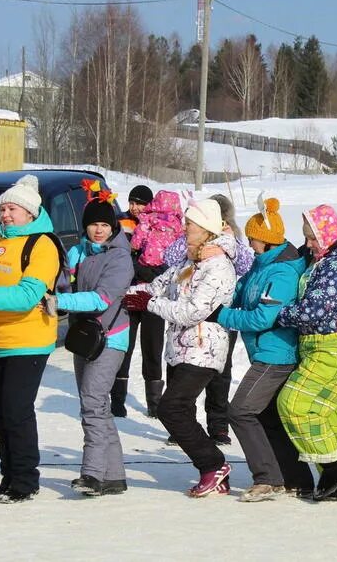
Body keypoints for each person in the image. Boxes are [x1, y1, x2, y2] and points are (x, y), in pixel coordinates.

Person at [124, 199, 237, 497]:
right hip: (179, 348)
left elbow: (192, 311)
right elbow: (157, 286)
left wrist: (148, 304)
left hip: (204, 349)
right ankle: (214, 471)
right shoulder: (189, 262)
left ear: (206, 229)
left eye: (190, 224)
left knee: (170, 408)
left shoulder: (219, 267)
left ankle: (213, 464)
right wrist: (126, 295)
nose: (184, 228)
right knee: (179, 410)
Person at [0, 174, 61, 504]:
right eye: (4, 208)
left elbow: (27, 296)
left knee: (16, 410)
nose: (7, 214)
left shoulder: (43, 245)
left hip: (27, 340)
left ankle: (25, 481)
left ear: (31, 213)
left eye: (14, 209)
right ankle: (7, 477)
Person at [216, 196, 312, 501]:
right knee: (267, 417)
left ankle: (267, 478)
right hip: (265, 353)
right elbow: (239, 294)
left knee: (241, 410)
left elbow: (263, 316)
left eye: (253, 237)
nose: (250, 242)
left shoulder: (282, 273)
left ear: (266, 240)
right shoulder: (261, 266)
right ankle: (296, 478)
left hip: (277, 354)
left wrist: (220, 315)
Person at [276, 204, 337, 502]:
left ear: (327, 233)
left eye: (312, 237)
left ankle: (333, 468)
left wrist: (280, 313)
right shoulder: (328, 260)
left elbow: (314, 311)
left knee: (295, 403)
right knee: (324, 413)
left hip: (334, 345)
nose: (308, 244)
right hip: (328, 345)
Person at [59, 195, 135, 497]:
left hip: (111, 337)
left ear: (113, 226)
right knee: (97, 405)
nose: (99, 230)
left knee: (92, 401)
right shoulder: (78, 251)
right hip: (85, 337)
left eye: (105, 224)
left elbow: (101, 298)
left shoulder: (120, 258)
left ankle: (91, 474)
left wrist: (58, 302)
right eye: (93, 224)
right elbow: (65, 281)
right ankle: (114, 476)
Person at [164, 193, 254, 445]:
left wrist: (227, 242)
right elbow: (170, 259)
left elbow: (246, 264)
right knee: (179, 368)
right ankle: (183, 423)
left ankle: (218, 425)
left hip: (220, 316)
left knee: (220, 372)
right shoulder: (190, 236)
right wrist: (194, 244)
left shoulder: (231, 236)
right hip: (185, 316)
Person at [115, 189, 183, 419]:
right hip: (131, 291)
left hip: (154, 296)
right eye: (132, 202)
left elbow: (174, 261)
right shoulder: (124, 223)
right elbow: (123, 256)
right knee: (125, 345)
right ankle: (117, 401)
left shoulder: (167, 225)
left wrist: (156, 274)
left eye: (140, 204)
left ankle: (154, 403)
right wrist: (143, 270)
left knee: (152, 348)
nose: (135, 208)